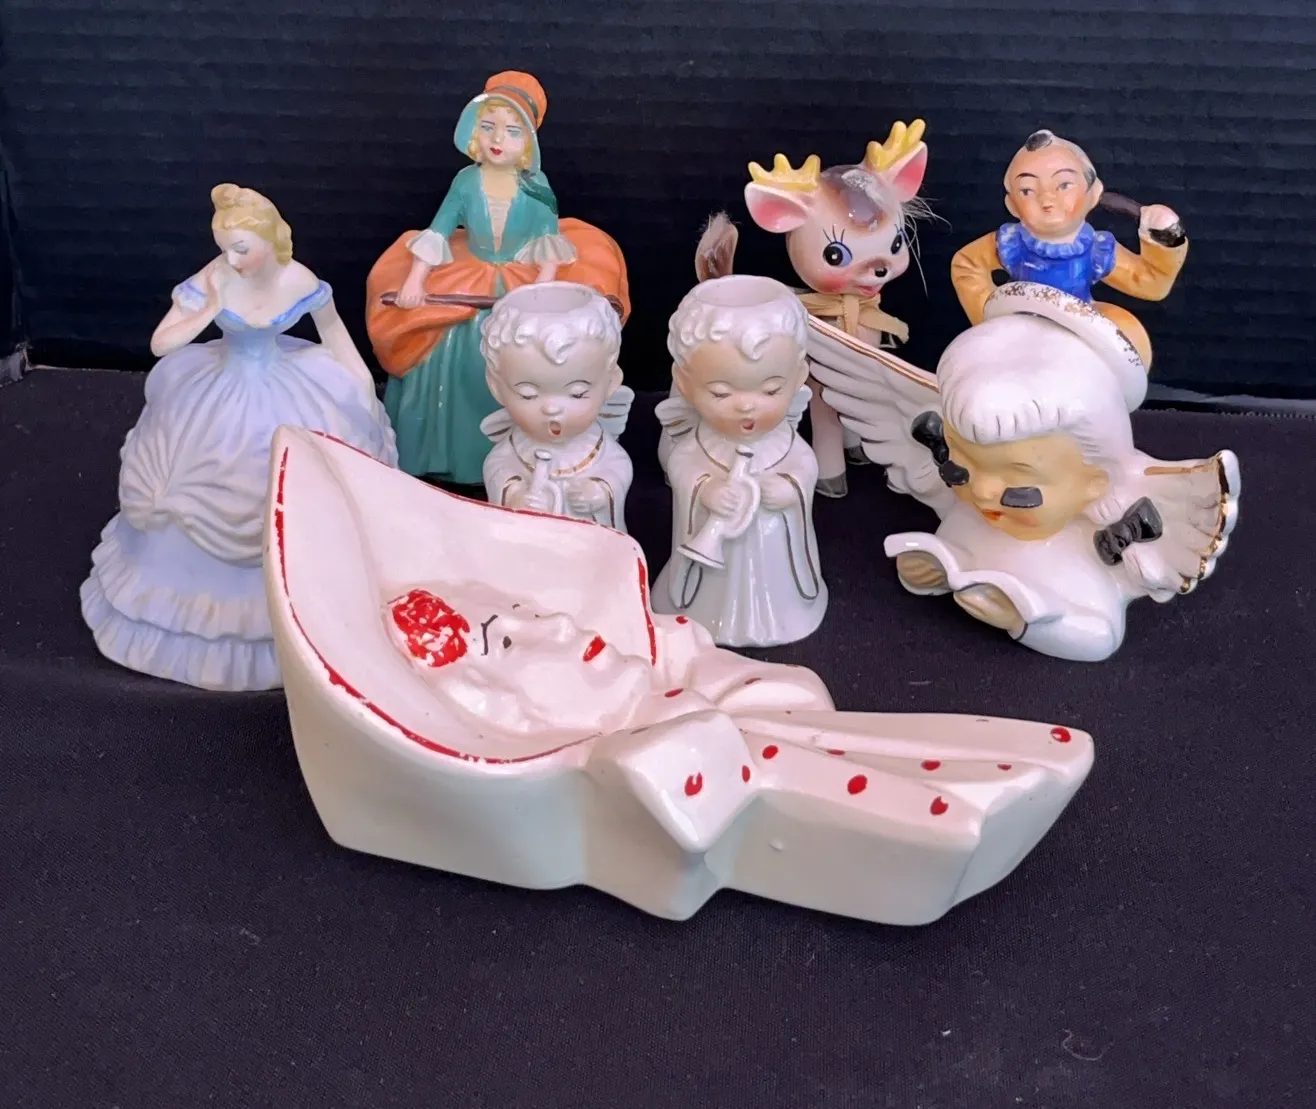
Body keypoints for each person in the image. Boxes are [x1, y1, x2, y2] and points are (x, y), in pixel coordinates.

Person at [806, 281, 1239, 662]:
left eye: (1019, 482)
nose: (982, 491)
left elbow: (1100, 636)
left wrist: (1023, 621)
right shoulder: (972, 512)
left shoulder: (1084, 559)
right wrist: (934, 569)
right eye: (960, 463)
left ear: (1095, 483)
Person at [80, 184, 397, 690]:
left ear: (271, 240)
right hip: (222, 384)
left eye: (241, 248)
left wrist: (361, 390)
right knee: (191, 471)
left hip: (286, 383)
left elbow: (335, 334)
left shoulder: (299, 279)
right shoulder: (216, 276)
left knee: (304, 471)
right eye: (224, 247)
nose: (231, 258)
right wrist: (206, 309)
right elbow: (161, 344)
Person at [365, 71, 630, 484]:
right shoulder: (465, 182)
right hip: (469, 266)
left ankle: (524, 451)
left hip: (527, 273)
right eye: (488, 127)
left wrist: (543, 289)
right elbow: (438, 230)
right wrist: (416, 280)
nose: (497, 139)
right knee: (450, 335)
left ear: (528, 143)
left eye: (512, 131)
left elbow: (548, 242)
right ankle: (451, 451)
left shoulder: (536, 187)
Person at [653, 274, 826, 647]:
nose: (747, 406)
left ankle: (781, 612)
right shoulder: (701, 442)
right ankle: (703, 611)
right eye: (720, 393)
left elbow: (805, 466)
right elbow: (682, 465)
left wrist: (790, 489)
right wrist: (705, 490)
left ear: (799, 377)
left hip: (774, 556)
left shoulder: (783, 441)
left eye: (771, 390)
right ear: (684, 384)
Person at [950, 129, 1188, 367]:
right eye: (1027, 190)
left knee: (1119, 349)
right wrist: (991, 317)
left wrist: (1165, 240)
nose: (1047, 200)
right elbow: (967, 265)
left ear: (1093, 194)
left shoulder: (1095, 250)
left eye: (1064, 185)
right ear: (1012, 205)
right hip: (1021, 333)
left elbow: (1150, 283)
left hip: (1080, 331)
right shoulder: (1010, 243)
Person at [478, 282, 634, 530]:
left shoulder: (598, 447)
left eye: (577, 393)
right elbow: (497, 470)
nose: (551, 408)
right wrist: (516, 496)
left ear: (610, 383)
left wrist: (600, 492)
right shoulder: (513, 449)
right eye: (528, 395)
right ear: (496, 387)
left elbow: (619, 469)